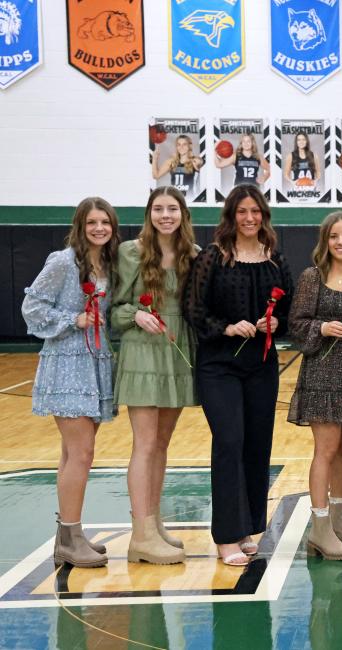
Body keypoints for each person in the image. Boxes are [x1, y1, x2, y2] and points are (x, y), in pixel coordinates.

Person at [183, 185, 292, 567]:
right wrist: (228, 328)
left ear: (263, 215)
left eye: (255, 212)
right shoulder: (213, 257)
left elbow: (289, 311)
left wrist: (275, 322)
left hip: (261, 365)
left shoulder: (274, 258)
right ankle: (226, 536)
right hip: (219, 365)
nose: (249, 218)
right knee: (229, 441)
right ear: (232, 216)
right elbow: (194, 310)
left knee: (256, 444)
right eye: (242, 212)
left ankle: (247, 527)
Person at [22, 197, 120, 568]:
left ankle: (70, 534)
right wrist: (73, 320)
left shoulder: (106, 263)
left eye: (105, 222)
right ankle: (70, 535)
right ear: (80, 225)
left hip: (95, 364)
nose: (99, 228)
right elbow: (31, 308)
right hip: (67, 364)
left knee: (73, 453)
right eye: (92, 222)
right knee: (81, 453)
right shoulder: (63, 261)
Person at [112, 186, 199, 565]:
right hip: (143, 352)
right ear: (149, 213)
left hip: (177, 351)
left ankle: (154, 522)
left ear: (183, 214)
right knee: (144, 445)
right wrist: (136, 314)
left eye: (173, 209)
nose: (166, 215)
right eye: (159, 209)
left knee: (162, 444)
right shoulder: (130, 252)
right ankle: (140, 534)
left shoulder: (193, 256)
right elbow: (114, 311)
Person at [288, 211, 342, 561]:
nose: (341, 242)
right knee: (325, 449)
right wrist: (322, 328)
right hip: (322, 375)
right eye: (335, 236)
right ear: (325, 242)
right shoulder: (313, 276)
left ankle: (338, 520)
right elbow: (296, 324)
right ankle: (319, 528)